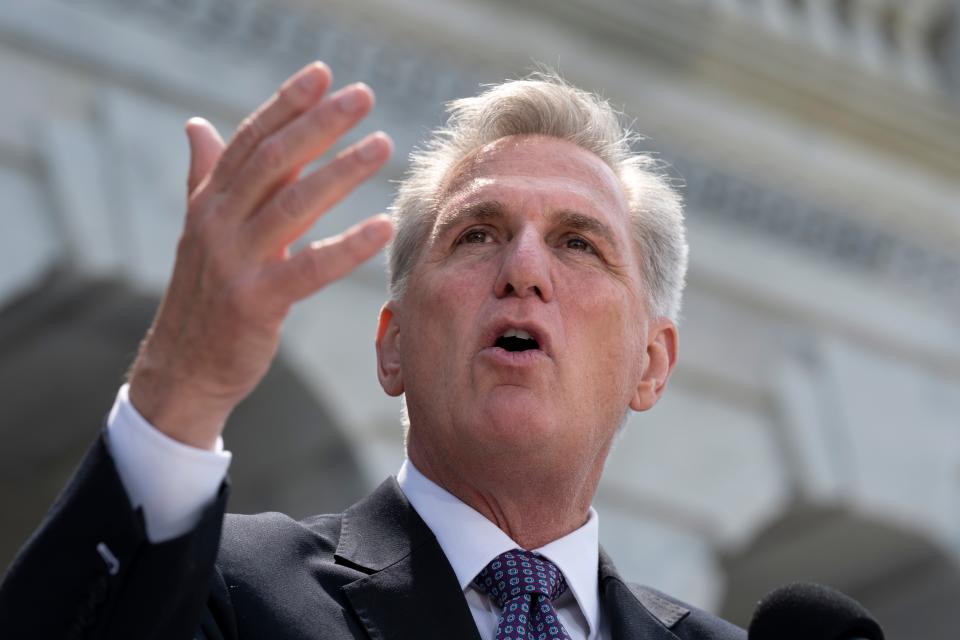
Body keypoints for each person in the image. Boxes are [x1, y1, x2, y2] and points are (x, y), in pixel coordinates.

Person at [0, 61, 744, 639]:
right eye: (476, 234)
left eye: (578, 244)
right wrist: (179, 390)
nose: (524, 270)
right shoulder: (222, 587)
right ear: (391, 348)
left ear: (650, 364)